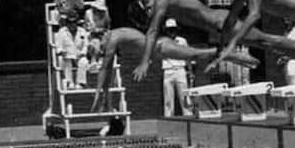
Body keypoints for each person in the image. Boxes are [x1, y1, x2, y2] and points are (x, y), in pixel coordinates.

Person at [128, 0, 295, 82]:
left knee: (266, 40)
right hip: (219, 28)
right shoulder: (162, 0)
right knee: (267, 45)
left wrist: (145, 62)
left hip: (222, 22)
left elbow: (153, 31)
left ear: (147, 8)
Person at [91, 26, 259, 113]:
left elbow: (105, 67)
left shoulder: (113, 37)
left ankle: (232, 55)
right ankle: (232, 56)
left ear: (102, 37)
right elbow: (107, 73)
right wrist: (103, 96)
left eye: (101, 49)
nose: (103, 51)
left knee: (197, 54)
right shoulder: (114, 38)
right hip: (158, 51)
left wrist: (98, 93)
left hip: (161, 48)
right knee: (197, 55)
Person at [161, 18, 191, 117]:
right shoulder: (162, 42)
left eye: (173, 29)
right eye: (169, 30)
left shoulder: (182, 41)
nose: (171, 32)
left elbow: (187, 55)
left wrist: (190, 70)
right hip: (168, 71)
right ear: (166, 31)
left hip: (180, 70)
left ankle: (188, 116)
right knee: (168, 99)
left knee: (185, 97)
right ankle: (168, 118)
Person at [55, 11, 90, 89]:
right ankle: (69, 82)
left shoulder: (82, 31)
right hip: (67, 55)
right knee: (66, 61)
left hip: (78, 55)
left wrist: (83, 53)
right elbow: (58, 46)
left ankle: (80, 83)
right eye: (70, 22)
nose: (72, 24)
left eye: (74, 22)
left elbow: (85, 45)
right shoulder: (62, 32)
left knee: (84, 61)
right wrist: (61, 51)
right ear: (67, 23)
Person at [84, 0, 111, 72]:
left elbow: (108, 27)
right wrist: (93, 30)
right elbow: (87, 27)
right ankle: (94, 61)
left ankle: (101, 60)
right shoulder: (88, 13)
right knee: (94, 42)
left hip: (102, 34)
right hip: (91, 34)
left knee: (106, 40)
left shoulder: (106, 13)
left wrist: (103, 31)